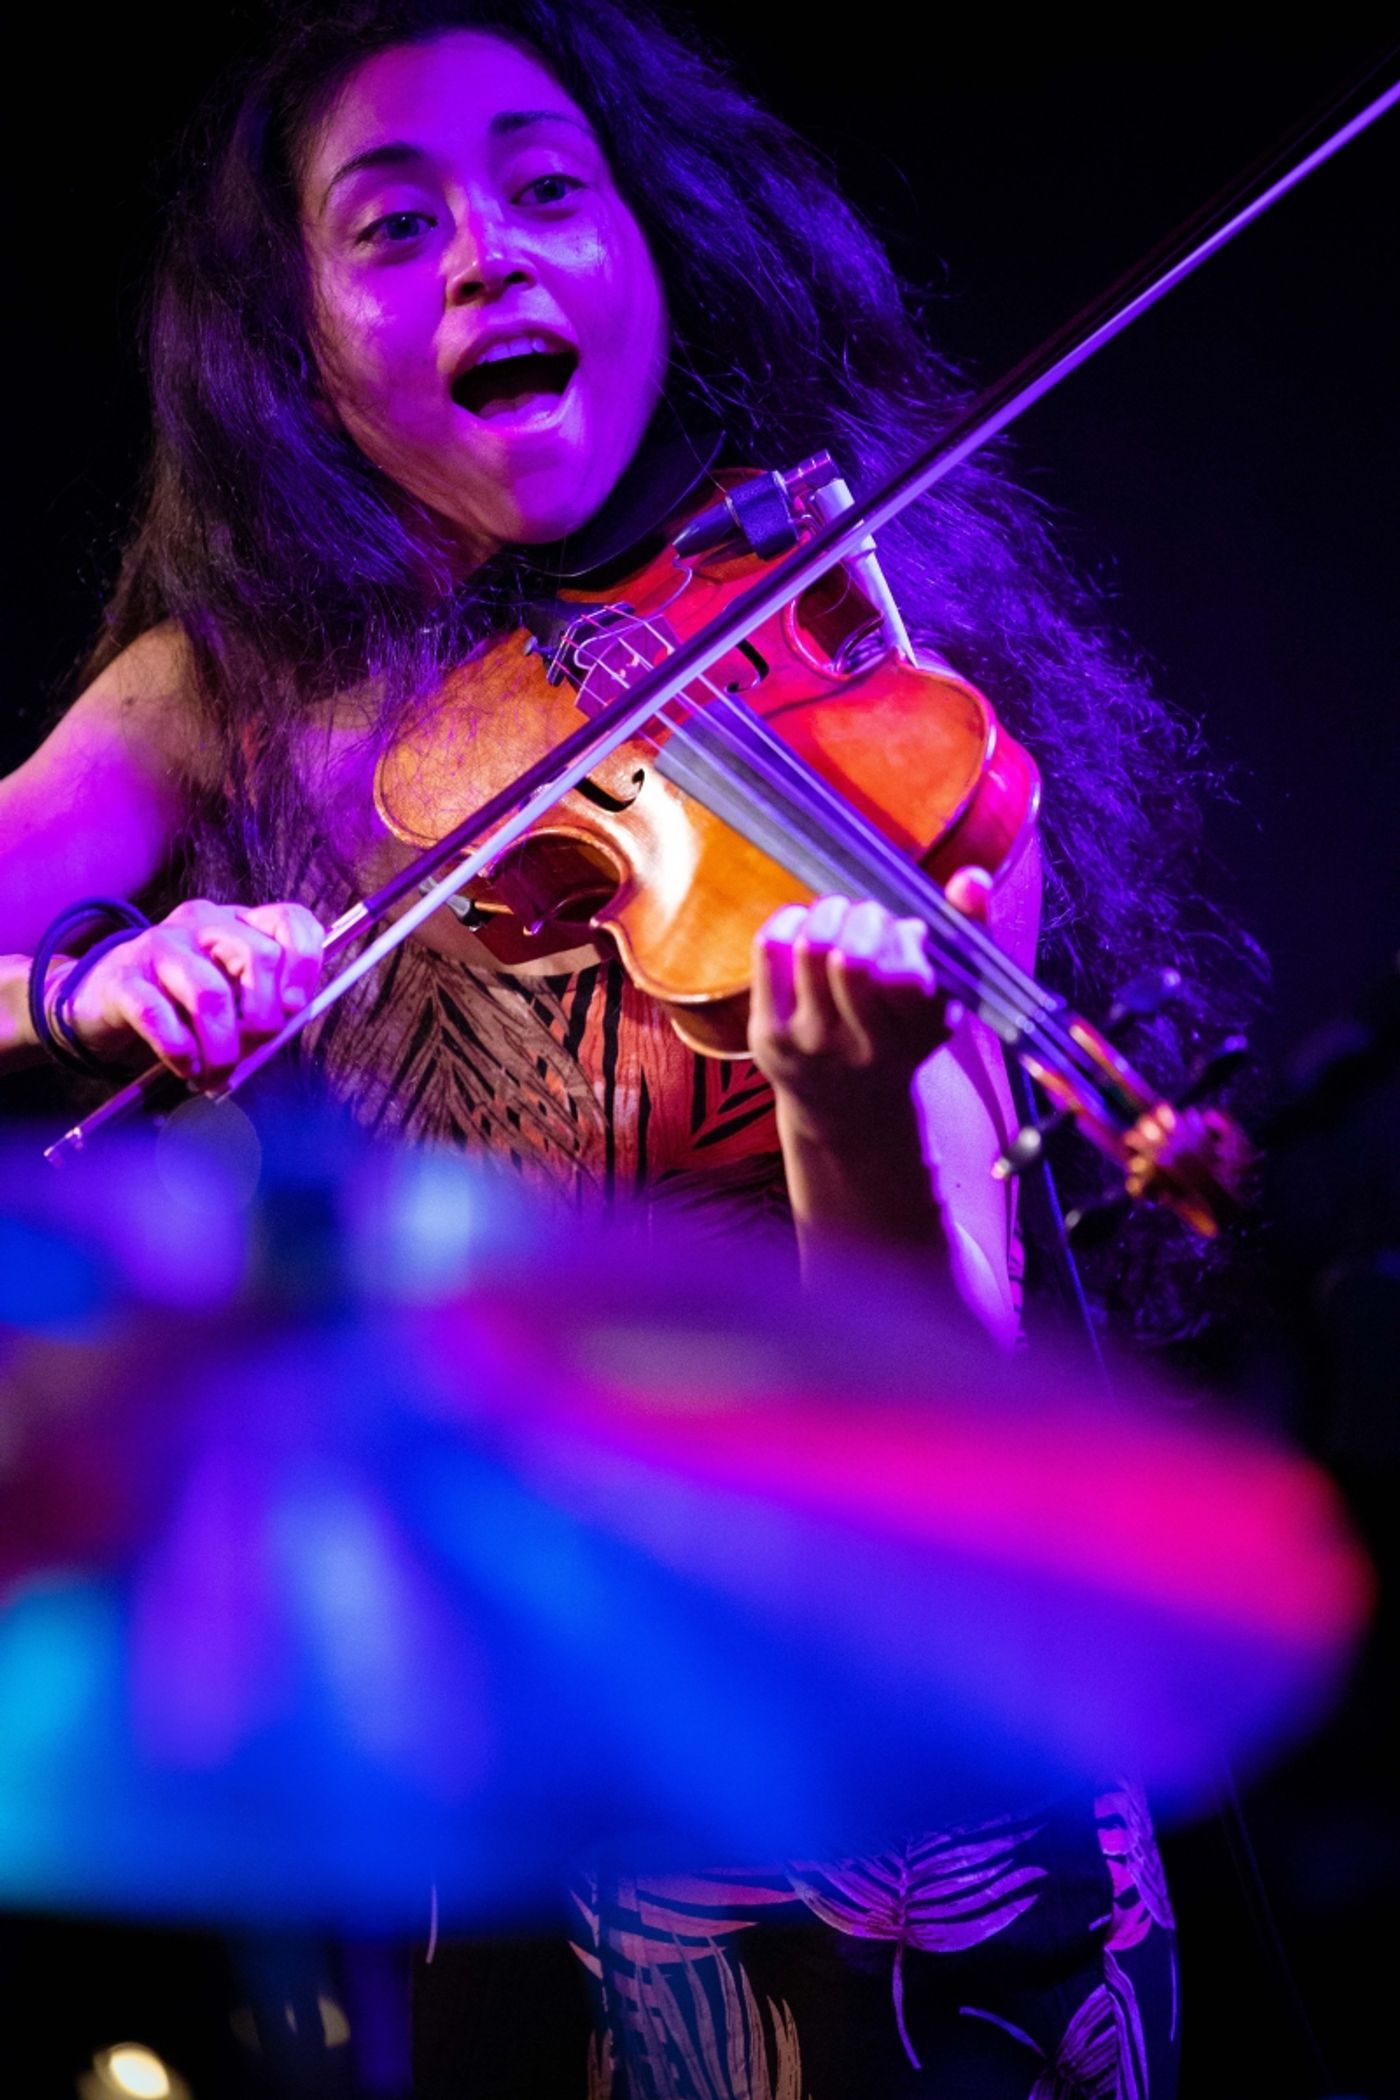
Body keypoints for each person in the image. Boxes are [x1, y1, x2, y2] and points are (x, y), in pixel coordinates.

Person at [0, 2, 1241, 2089]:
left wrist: (856, 1100)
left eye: (550, 193)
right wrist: (79, 984)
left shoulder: (866, 687)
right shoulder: (226, 697)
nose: (490, 253)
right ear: (291, 335)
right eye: (393, 228)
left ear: (650, 254)